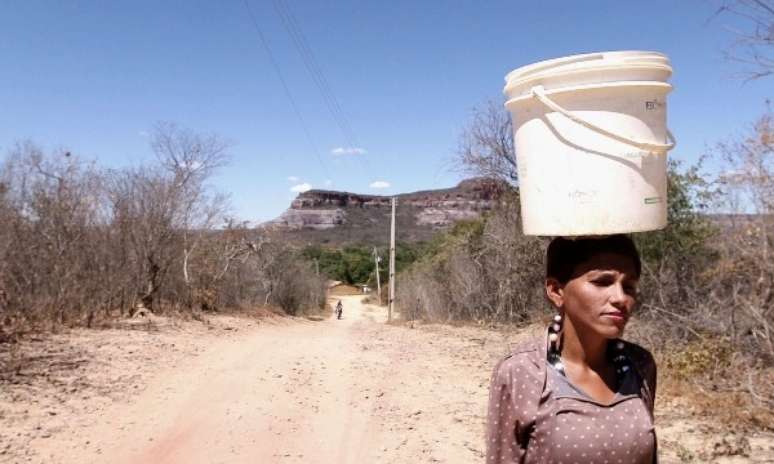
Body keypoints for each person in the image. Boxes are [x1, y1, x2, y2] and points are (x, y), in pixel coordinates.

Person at [486, 235, 657, 463]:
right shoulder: (522, 372)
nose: (620, 298)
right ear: (557, 291)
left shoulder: (639, 365)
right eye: (602, 282)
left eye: (629, 286)